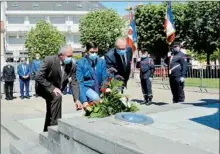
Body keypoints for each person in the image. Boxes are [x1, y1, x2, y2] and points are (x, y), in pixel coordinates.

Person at [35, 44, 82, 132]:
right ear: (61, 55)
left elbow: (74, 82)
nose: (71, 58)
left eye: (72, 56)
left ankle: (47, 131)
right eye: (69, 56)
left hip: (57, 89)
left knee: (51, 109)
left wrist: (77, 99)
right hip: (44, 87)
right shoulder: (49, 60)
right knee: (57, 97)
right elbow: (38, 76)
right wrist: (52, 88)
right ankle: (55, 129)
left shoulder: (72, 65)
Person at [76, 42, 108, 110]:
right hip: (86, 88)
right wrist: (84, 101)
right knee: (95, 97)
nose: (94, 54)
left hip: (98, 88)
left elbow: (105, 78)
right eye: (92, 52)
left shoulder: (101, 62)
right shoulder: (80, 63)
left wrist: (104, 90)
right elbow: (80, 83)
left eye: (96, 52)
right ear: (87, 52)